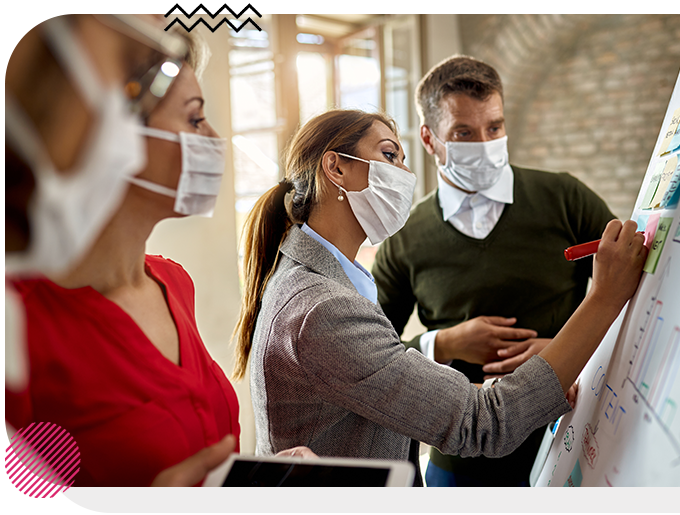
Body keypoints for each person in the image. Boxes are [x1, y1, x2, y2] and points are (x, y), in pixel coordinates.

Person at [233, 108, 647, 487]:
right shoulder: (323, 308)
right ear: (336, 167)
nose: (404, 173)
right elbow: (484, 423)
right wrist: (605, 297)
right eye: (390, 155)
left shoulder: (315, 280)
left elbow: (381, 379)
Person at [5, 31, 314, 487]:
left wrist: (252, 479)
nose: (213, 138)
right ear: (114, 133)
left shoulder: (174, 282)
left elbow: (195, 456)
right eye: (194, 119)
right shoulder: (21, 323)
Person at [370, 55, 618, 486]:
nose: (484, 143)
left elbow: (633, 291)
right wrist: (442, 343)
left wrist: (565, 351)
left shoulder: (564, 197)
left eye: (495, 127)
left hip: (577, 438)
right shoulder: (405, 238)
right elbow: (373, 357)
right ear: (429, 139)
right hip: (462, 463)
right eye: (463, 133)